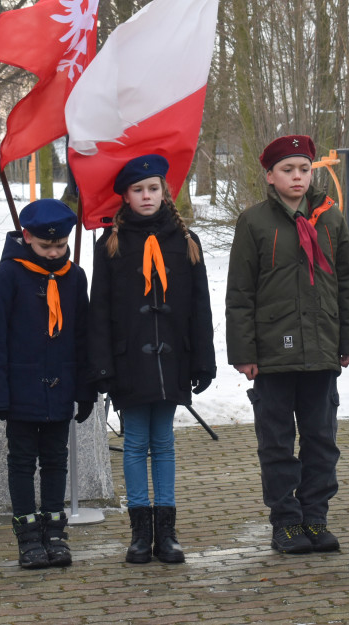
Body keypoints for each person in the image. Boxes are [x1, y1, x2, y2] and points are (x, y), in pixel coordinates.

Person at [225, 134, 349, 554]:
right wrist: (244, 353)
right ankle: (286, 521)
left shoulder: (331, 219)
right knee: (277, 441)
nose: (298, 177)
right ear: (270, 176)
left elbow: (348, 282)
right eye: (288, 169)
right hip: (272, 353)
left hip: (322, 348)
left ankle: (316, 517)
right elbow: (240, 292)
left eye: (304, 169)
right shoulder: (253, 223)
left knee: (321, 438)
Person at [86, 154, 216, 564]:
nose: (146, 196)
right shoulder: (109, 244)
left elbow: (200, 305)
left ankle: (167, 533)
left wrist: (203, 360)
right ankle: (140, 533)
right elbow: (100, 309)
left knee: (164, 443)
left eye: (153, 189)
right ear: (125, 195)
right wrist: (103, 365)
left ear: (165, 191)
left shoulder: (186, 241)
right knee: (135, 441)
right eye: (138, 190)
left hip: (173, 358)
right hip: (130, 361)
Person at [0, 199, 94, 569]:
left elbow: (82, 337)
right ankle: (28, 537)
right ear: (26, 237)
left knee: (57, 460)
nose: (54, 252)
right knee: (22, 461)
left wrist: (85, 388)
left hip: (60, 387)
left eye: (61, 246)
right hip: (21, 389)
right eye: (46, 246)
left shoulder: (74, 277)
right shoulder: (7, 275)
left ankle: (55, 532)